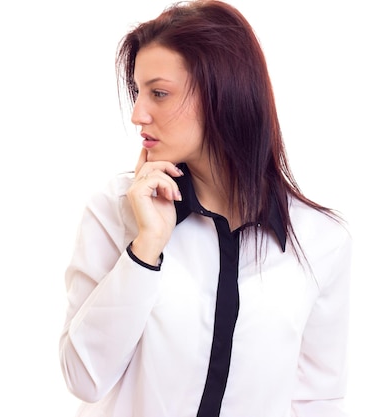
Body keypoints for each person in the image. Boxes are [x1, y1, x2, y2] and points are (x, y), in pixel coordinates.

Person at [59, 1, 352, 416]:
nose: (138, 114)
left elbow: (316, 401)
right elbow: (83, 379)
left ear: (223, 94)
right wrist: (147, 248)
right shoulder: (116, 212)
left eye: (159, 93)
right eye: (139, 93)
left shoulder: (321, 240)